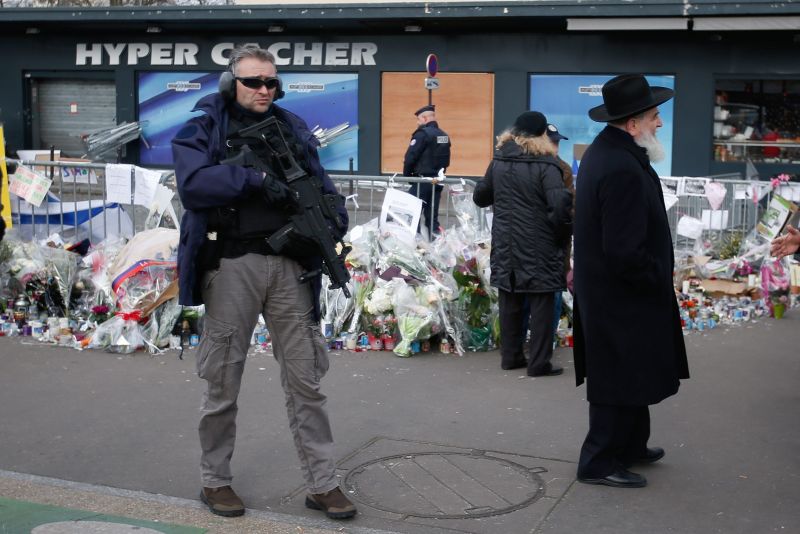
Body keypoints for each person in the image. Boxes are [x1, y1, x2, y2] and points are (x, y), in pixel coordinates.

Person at [171, 45, 356, 519]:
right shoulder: (205, 126)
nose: (264, 90)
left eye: (272, 82)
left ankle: (323, 483)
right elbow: (192, 185)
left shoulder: (292, 128)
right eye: (254, 81)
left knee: (306, 379)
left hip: (290, 268)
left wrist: (332, 219)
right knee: (222, 380)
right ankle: (215, 482)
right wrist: (250, 179)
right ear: (231, 83)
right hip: (233, 265)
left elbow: (320, 184)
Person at [573, 74, 690, 488]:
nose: (660, 123)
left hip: (616, 290)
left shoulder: (614, 152)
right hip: (620, 293)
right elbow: (624, 250)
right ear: (633, 122)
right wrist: (655, 276)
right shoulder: (619, 164)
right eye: (655, 116)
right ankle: (599, 461)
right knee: (616, 374)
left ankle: (631, 445)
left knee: (633, 368)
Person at [473, 111, 573, 376]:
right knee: (541, 303)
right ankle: (539, 363)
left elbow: (480, 197)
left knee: (510, 301)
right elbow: (560, 207)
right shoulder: (547, 165)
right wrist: (562, 237)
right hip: (540, 246)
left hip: (506, 244)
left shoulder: (499, 161)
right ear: (542, 136)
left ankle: (511, 357)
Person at [403, 104, 451, 238]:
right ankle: (435, 248)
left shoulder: (422, 135)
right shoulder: (444, 135)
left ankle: (416, 248)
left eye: (418, 120)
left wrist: (408, 177)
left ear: (424, 118)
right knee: (432, 218)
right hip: (437, 181)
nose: (418, 123)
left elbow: (410, 158)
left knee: (413, 215)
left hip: (421, 181)